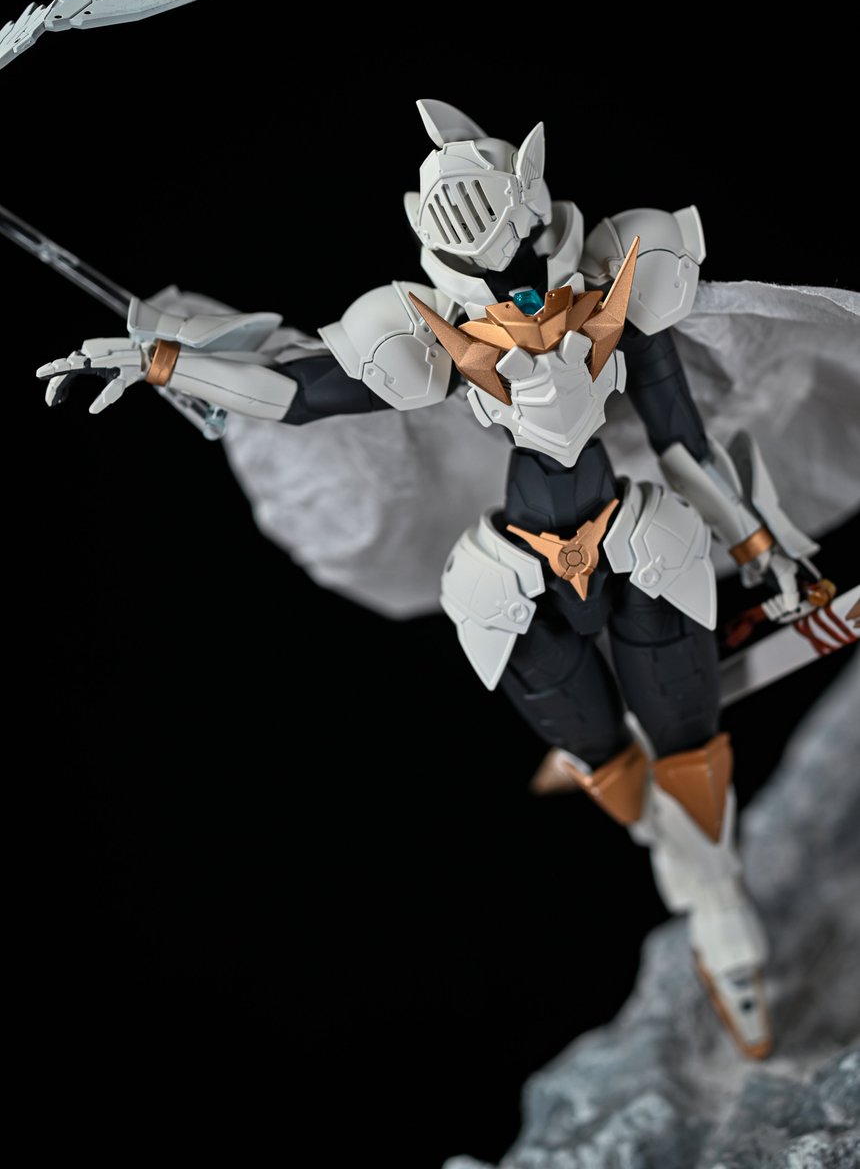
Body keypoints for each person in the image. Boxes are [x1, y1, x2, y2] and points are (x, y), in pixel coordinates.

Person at [36, 98, 828, 1059]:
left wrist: (759, 545)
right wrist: (168, 363)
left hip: (637, 542)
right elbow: (298, 393)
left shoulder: (621, 284)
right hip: (516, 574)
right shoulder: (428, 334)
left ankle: (715, 896)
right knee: (606, 765)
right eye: (491, 280)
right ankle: (668, 848)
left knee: (690, 745)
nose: (520, 306)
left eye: (521, 265)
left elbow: (682, 440)